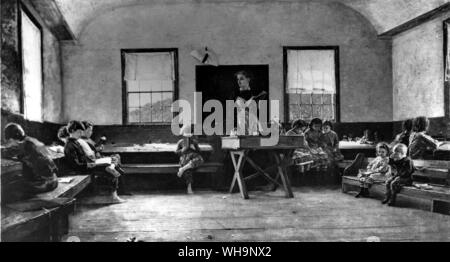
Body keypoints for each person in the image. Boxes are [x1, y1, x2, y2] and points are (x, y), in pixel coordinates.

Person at [64, 121, 124, 204]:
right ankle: (114, 196)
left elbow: (83, 157)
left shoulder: (76, 142)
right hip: (81, 169)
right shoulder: (69, 145)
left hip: (85, 166)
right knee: (108, 168)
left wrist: (91, 162)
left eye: (81, 132)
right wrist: (88, 164)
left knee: (109, 166)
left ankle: (114, 194)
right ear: (72, 131)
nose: (81, 134)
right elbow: (75, 165)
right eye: (79, 132)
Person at [1, 123, 59, 200]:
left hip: (44, 183)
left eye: (9, 141)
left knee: (7, 187)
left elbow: (4, 153)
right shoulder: (31, 140)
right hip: (54, 179)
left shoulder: (21, 145)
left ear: (11, 139)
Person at [81, 121, 130, 196]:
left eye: (91, 130)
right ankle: (115, 169)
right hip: (95, 160)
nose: (91, 132)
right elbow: (92, 153)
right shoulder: (83, 141)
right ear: (83, 131)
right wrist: (98, 149)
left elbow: (95, 149)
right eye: (89, 130)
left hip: (98, 157)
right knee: (116, 160)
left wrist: (99, 148)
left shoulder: (88, 139)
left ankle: (115, 168)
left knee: (116, 157)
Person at [234, 71, 267, 136]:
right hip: (240, 122)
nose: (239, 81)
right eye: (238, 79)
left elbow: (264, 94)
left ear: (248, 79)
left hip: (252, 122)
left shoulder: (255, 92)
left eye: (241, 79)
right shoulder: (234, 94)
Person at [175, 124, 204, 194]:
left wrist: (195, 148)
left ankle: (182, 169)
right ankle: (189, 187)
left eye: (189, 136)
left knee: (200, 159)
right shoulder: (181, 142)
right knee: (188, 169)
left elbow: (200, 152)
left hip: (193, 157)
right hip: (185, 158)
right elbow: (176, 152)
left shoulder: (194, 142)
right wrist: (182, 150)